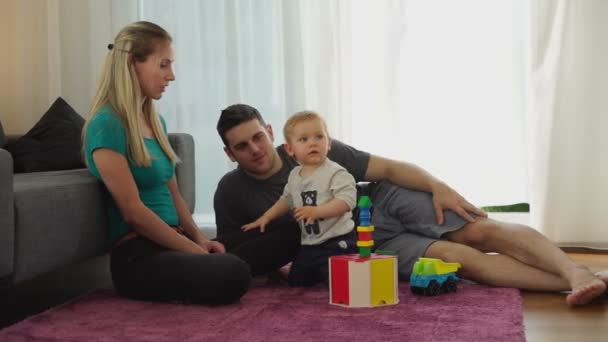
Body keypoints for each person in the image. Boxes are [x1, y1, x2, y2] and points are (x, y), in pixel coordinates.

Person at [214, 103, 607, 306]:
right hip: (362, 243)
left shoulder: (313, 147)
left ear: (269, 134)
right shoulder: (231, 192)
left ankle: (575, 272)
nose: (254, 150)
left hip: (383, 199)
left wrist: (440, 187)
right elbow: (238, 250)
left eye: (257, 138)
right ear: (230, 154)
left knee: (477, 231)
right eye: (242, 146)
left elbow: (390, 168)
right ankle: (582, 281)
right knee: (463, 259)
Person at [83, 21, 250, 304]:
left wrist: (199, 239)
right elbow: (133, 212)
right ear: (132, 63)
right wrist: (193, 252)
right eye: (163, 65)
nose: (171, 76)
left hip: (173, 241)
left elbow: (174, 195)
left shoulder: (155, 121)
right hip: (138, 253)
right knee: (234, 271)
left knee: (241, 247)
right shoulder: (106, 124)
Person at [242, 111, 358, 286]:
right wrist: (266, 217)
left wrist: (318, 211)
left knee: (338, 281)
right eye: (303, 139)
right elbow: (286, 199)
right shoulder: (295, 175)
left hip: (337, 241)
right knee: (297, 280)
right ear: (290, 149)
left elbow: (346, 201)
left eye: (319, 137)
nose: (312, 143)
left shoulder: (336, 172)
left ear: (329, 143)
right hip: (310, 244)